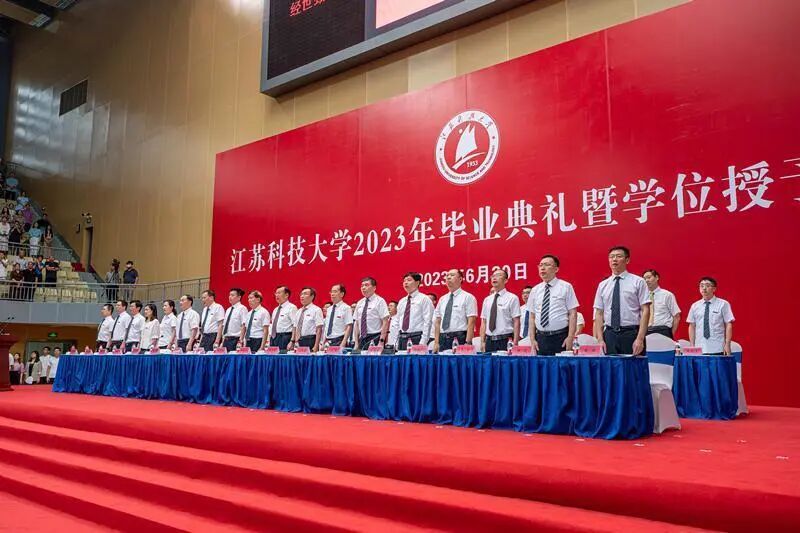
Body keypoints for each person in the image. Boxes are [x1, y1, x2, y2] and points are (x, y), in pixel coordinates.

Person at [593, 246, 651, 355]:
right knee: (610, 366)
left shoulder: (638, 282)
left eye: (619, 256)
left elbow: (645, 310)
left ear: (627, 260)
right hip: (609, 334)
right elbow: (599, 313)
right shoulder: (603, 285)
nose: (614, 259)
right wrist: (600, 339)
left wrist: (640, 338)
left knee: (633, 365)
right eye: (611, 257)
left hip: (631, 334)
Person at [528, 255, 579, 355]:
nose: (542, 268)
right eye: (540, 265)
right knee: (541, 365)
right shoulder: (535, 290)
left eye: (547, 265)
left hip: (560, 337)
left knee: (561, 365)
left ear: (556, 269)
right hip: (540, 339)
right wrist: (532, 339)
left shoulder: (566, 287)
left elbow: (573, 313)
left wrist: (570, 337)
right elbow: (532, 317)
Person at [433, 269, 478, 352]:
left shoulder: (468, 297)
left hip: (460, 337)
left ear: (460, 279)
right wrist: (436, 342)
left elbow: (471, 321)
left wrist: (468, 342)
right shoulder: (442, 299)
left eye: (452, 275)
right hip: (443, 338)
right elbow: (438, 322)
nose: (448, 277)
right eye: (447, 275)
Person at [687, 277, 734, 355]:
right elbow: (692, 326)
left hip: (718, 347)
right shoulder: (695, 306)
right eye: (701, 286)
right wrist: (692, 345)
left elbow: (728, 324)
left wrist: (727, 343)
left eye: (707, 285)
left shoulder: (723, 304)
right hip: (699, 347)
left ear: (714, 289)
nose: (704, 288)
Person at [480, 268, 521, 352]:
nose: (494, 278)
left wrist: (515, 343)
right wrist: (482, 342)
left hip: (505, 340)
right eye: (493, 276)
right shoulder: (487, 300)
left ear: (505, 280)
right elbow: (484, 322)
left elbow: (516, 321)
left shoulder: (512, 298)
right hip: (489, 341)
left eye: (498, 275)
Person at [395, 272, 435, 349]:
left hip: (417, 337)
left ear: (417, 283)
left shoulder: (424, 299)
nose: (406, 282)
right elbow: (397, 322)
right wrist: (396, 342)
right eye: (404, 281)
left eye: (409, 280)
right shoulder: (402, 301)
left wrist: (423, 342)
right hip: (402, 338)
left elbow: (428, 322)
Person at [353, 277, 390, 350]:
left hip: (375, 337)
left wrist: (381, 342)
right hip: (362, 338)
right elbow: (357, 324)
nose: (363, 287)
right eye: (362, 286)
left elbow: (385, 322)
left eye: (366, 285)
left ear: (374, 288)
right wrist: (356, 343)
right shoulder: (360, 302)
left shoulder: (380, 301)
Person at [642, 269, 681, 339]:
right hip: (646, 331)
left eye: (649, 277)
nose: (646, 280)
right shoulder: (642, 296)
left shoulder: (667, 295)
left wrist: (670, 335)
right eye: (644, 279)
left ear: (657, 277)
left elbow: (676, 316)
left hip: (663, 330)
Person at [289, 287, 324, 352]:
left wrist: (316, 346)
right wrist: (292, 341)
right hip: (299, 341)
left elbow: (319, 329)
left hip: (310, 340)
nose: (302, 296)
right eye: (301, 294)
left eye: (305, 294)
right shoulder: (299, 311)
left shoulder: (316, 310)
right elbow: (295, 327)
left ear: (312, 296)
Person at [269, 286, 297, 350]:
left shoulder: (292, 307)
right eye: (276, 293)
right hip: (274, 338)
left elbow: (295, 325)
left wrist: (292, 341)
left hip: (285, 337)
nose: (276, 295)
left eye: (279, 293)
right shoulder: (275, 309)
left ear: (286, 295)